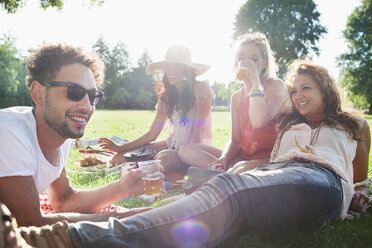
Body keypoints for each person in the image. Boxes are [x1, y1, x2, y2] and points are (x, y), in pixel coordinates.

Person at [3, 61, 370, 248]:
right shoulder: (289, 126)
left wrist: (359, 195)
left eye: (306, 87)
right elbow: (275, 164)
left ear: (326, 88)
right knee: (225, 212)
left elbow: (358, 179)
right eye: (294, 90)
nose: (299, 95)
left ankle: (69, 239)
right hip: (282, 179)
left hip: (320, 181)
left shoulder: (353, 125)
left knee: (229, 191)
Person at [0, 44, 151, 227]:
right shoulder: (8, 132)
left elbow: (63, 201)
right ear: (38, 94)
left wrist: (123, 188)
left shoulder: (61, 137)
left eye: (93, 96)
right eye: (75, 92)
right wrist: (119, 218)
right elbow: (29, 223)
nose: (87, 106)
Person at [179, 32, 289, 173]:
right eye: (241, 58)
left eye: (254, 59)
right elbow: (236, 140)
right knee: (186, 149)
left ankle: (227, 173)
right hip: (243, 157)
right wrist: (224, 157)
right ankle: (221, 169)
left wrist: (255, 82)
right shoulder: (237, 97)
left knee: (239, 168)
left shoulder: (276, 86)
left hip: (270, 158)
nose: (247, 63)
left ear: (264, 64)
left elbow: (259, 122)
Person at [99, 45, 214, 177]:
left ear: (187, 69)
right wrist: (119, 148)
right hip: (170, 145)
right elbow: (152, 134)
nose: (171, 70)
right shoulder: (167, 96)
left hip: (192, 151)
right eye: (168, 66)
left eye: (177, 66)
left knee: (163, 159)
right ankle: (144, 167)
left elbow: (196, 134)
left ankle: (144, 168)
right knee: (118, 159)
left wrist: (183, 155)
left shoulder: (201, 89)